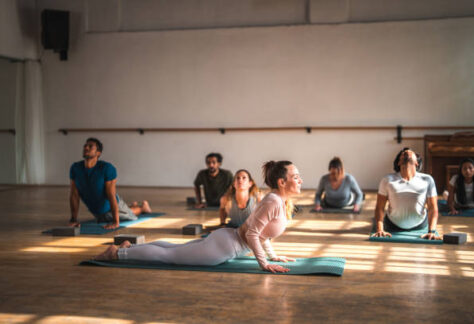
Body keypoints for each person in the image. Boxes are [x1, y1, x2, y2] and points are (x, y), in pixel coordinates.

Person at [95, 160, 303, 273]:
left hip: (226, 240)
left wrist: (272, 255)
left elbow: (261, 234)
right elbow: (252, 233)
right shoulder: (273, 201)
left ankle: (129, 248)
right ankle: (117, 254)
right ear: (282, 182)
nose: (300, 180)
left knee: (174, 249)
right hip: (225, 247)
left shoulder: (277, 200)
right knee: (169, 257)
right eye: (295, 177)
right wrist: (264, 263)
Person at [69, 138, 152, 230]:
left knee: (130, 215)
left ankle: (142, 207)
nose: (86, 148)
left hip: (111, 206)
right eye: (85, 146)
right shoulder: (75, 168)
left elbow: (111, 195)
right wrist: (73, 219)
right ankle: (132, 206)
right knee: (104, 218)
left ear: (98, 153)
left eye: (90, 146)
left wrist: (116, 222)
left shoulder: (107, 168)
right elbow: (74, 195)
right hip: (98, 212)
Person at [371, 148, 440, 240]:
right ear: (399, 163)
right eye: (403, 154)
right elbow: (379, 207)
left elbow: (432, 208)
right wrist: (380, 229)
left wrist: (431, 232)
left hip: (419, 225)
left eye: (411, 152)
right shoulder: (387, 180)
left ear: (417, 163)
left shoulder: (427, 179)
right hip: (392, 225)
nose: (407, 153)